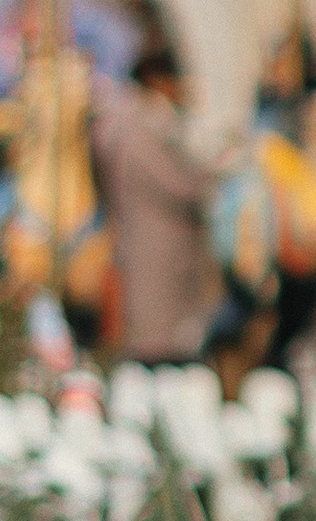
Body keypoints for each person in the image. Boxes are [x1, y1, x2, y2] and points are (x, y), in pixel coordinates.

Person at [87, 37, 220, 366]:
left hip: (138, 237)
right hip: (159, 244)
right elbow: (179, 185)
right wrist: (212, 173)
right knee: (159, 342)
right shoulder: (146, 128)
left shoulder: (119, 124)